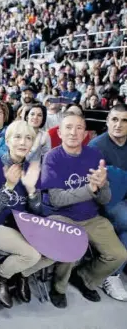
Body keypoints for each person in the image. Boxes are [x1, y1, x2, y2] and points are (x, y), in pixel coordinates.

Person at [29, 112, 127, 309]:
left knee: (119, 255)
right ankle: (59, 287)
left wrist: (102, 187)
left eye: (79, 128)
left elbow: (104, 198)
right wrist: (90, 189)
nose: (73, 132)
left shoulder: (95, 155)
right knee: (72, 245)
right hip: (60, 215)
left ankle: (84, 277)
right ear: (60, 132)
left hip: (91, 216)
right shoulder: (52, 158)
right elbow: (57, 199)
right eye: (68, 127)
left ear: (85, 135)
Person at [0, 120, 47, 308]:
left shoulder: (32, 170)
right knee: (32, 255)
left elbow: (38, 212)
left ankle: (22, 273)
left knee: (56, 251)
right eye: (17, 137)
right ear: (7, 141)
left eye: (28, 138)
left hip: (21, 224)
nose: (23, 142)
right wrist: (8, 186)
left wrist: (32, 191)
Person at [89, 104, 127, 301]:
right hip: (104, 202)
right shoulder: (97, 147)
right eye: (114, 119)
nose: (118, 125)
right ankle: (111, 276)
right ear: (107, 122)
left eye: (124, 120)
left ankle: (114, 271)